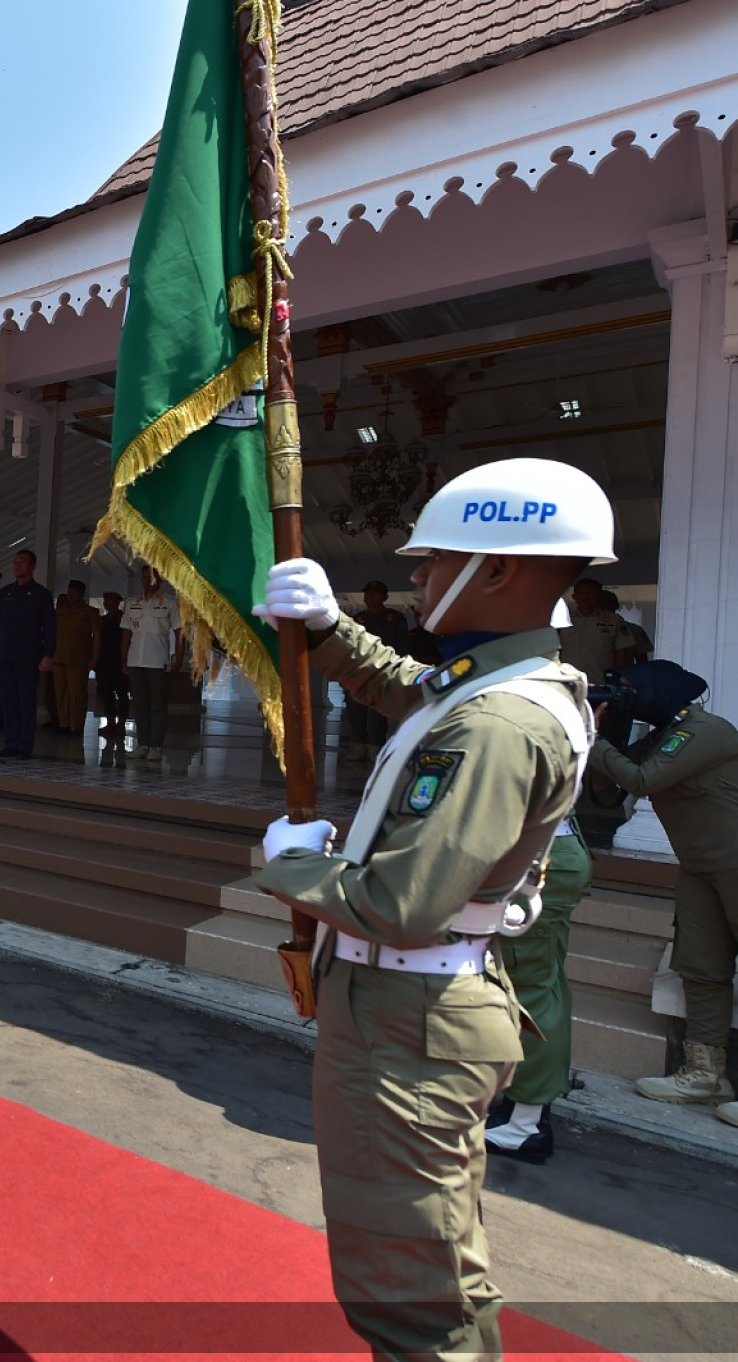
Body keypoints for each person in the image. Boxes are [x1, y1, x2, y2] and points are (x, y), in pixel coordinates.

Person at [253, 456, 611, 1360]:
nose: (416, 576)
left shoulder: (496, 722)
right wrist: (330, 631)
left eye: (434, 559)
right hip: (409, 1014)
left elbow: (400, 901)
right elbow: (403, 688)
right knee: (427, 1265)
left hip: (408, 1022)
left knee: (409, 1293)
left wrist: (300, 868)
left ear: (497, 570)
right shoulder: (493, 685)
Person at [582, 659, 738, 1119]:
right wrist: (607, 726)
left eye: (629, 688)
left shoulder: (704, 729)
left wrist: (592, 739)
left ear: (660, 689)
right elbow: (616, 773)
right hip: (699, 868)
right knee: (702, 968)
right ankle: (706, 1074)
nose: (624, 692)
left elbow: (642, 780)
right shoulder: (666, 733)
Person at [485, 816, 593, 1163]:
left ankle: (524, 1125)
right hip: (540, 851)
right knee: (541, 985)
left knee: (529, 992)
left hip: (533, 856)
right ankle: (525, 1112)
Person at [0, 551, 55, 758]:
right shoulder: (5, 593)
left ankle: (24, 744)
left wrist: (48, 654)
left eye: (22, 562)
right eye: (15, 562)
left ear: (32, 566)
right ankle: (10, 742)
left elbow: (50, 628)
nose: (17, 566)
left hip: (28, 656)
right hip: (5, 654)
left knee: (25, 700)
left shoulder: (41, 594)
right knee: (8, 700)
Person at [338, 581, 409, 764]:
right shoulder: (357, 620)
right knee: (355, 710)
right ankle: (358, 745)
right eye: (368, 593)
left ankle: (375, 747)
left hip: (382, 672)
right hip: (358, 673)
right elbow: (349, 646)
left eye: (376, 593)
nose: (371, 596)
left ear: (385, 597)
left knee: (378, 712)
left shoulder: (395, 619)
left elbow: (402, 647)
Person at [122, 567, 182, 765]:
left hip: (157, 661)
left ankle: (155, 746)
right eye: (144, 577)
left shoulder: (170, 603)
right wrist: (124, 659)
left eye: (152, 577)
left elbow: (179, 633)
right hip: (135, 661)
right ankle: (143, 745)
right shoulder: (132, 602)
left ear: (161, 579)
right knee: (140, 705)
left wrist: (178, 658)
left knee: (157, 705)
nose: (147, 580)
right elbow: (126, 634)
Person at [48, 580, 97, 735]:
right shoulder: (59, 611)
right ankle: (64, 724)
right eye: (69, 592)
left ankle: (76, 726)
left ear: (82, 594)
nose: (71, 595)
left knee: (77, 694)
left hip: (78, 659)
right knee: (60, 692)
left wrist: (95, 656)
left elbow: (97, 635)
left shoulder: (90, 612)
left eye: (74, 592)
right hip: (58, 657)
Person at [94, 590, 130, 756]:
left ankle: (121, 724)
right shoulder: (102, 621)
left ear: (117, 602)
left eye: (109, 600)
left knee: (122, 693)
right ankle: (110, 722)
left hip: (120, 661)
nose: (106, 603)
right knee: (106, 693)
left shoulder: (125, 619)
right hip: (105, 662)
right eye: (105, 600)